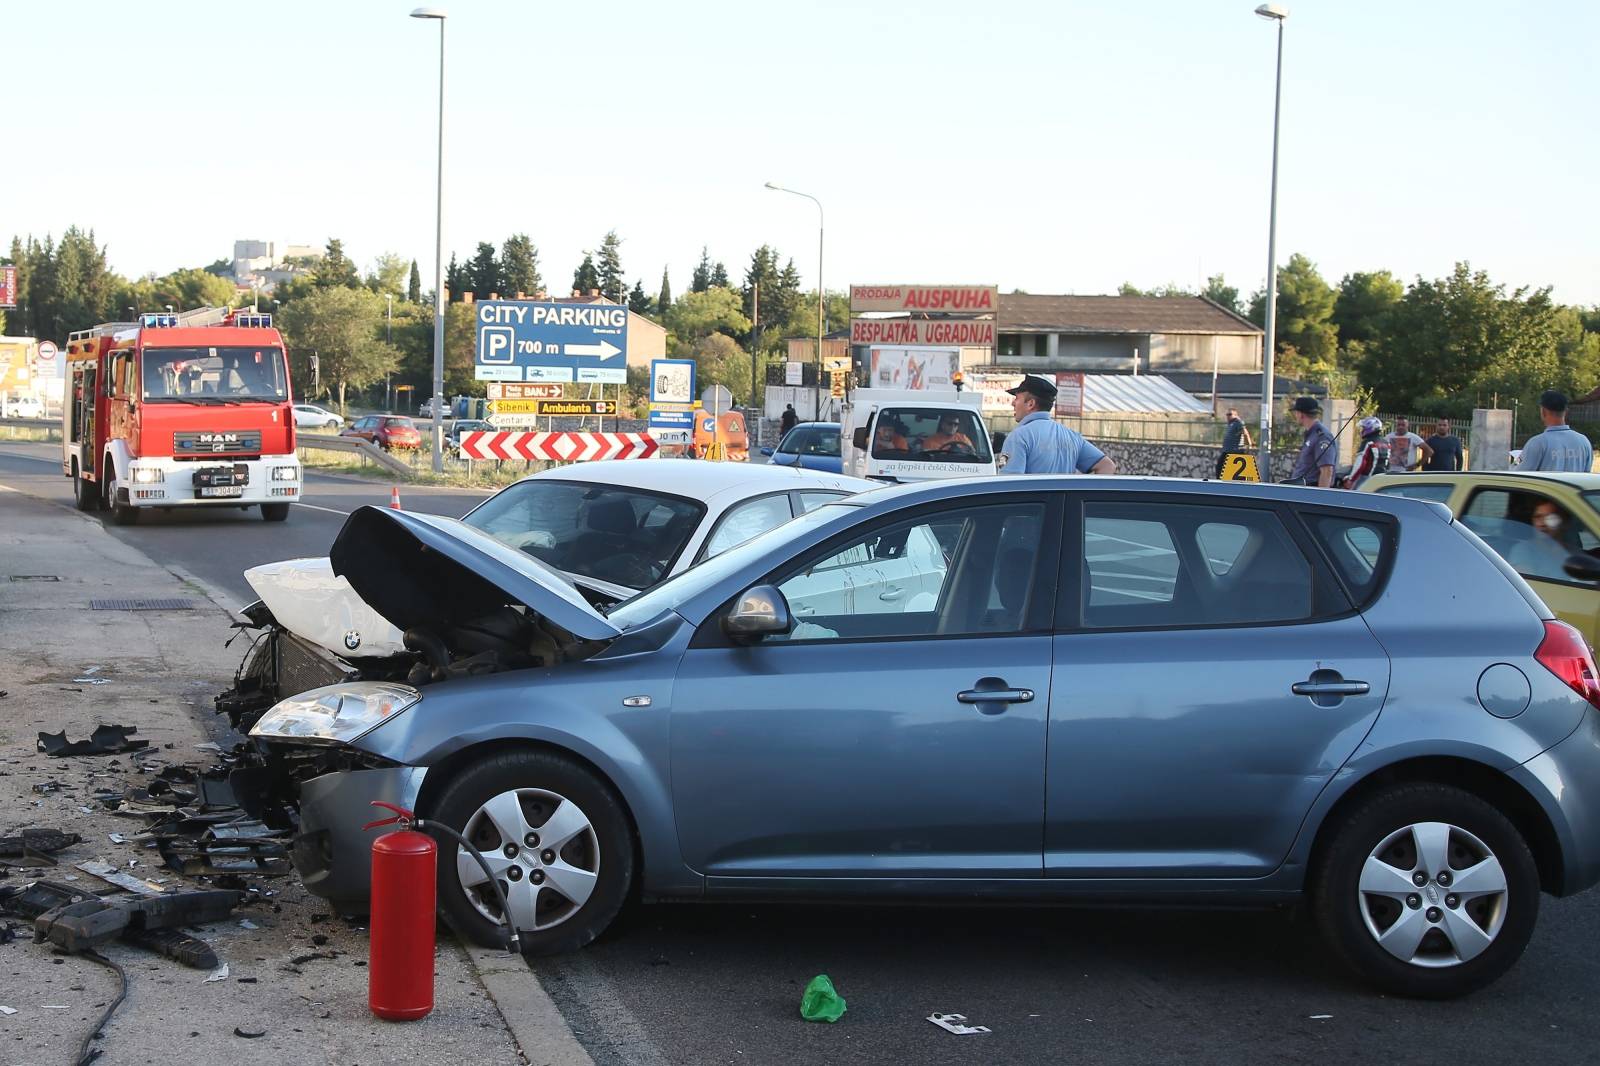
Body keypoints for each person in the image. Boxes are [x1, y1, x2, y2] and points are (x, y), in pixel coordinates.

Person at [999, 375, 1117, 475]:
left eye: (1017, 398)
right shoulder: (1072, 437)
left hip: (1032, 503)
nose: (1013, 403)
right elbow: (1107, 466)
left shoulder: (1018, 437)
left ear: (1031, 404)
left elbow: (1008, 485)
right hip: (1066, 503)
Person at [1518, 390, 1595, 473]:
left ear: (1543, 411)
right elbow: (1587, 474)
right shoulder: (1584, 441)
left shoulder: (1538, 443)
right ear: (1566, 411)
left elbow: (1518, 476)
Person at [1288, 396, 1337, 488]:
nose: (1295, 416)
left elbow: (1326, 471)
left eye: (1296, 413)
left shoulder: (1321, 437)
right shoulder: (1312, 435)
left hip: (1310, 492)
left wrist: (1320, 499)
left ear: (1301, 414)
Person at [1342, 416, 1391, 489]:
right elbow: (1388, 463)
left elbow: (1360, 463)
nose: (1362, 430)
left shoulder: (1368, 443)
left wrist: (1350, 479)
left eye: (1364, 428)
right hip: (1382, 479)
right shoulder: (1387, 443)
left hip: (1367, 479)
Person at [1215, 407, 1254, 478]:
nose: (1228, 416)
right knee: (1220, 468)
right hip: (1227, 451)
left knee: (1220, 468)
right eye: (1227, 414)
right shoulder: (1230, 424)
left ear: (1235, 415)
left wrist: (1249, 445)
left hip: (1235, 450)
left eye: (1230, 414)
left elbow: (1245, 433)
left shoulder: (1238, 422)